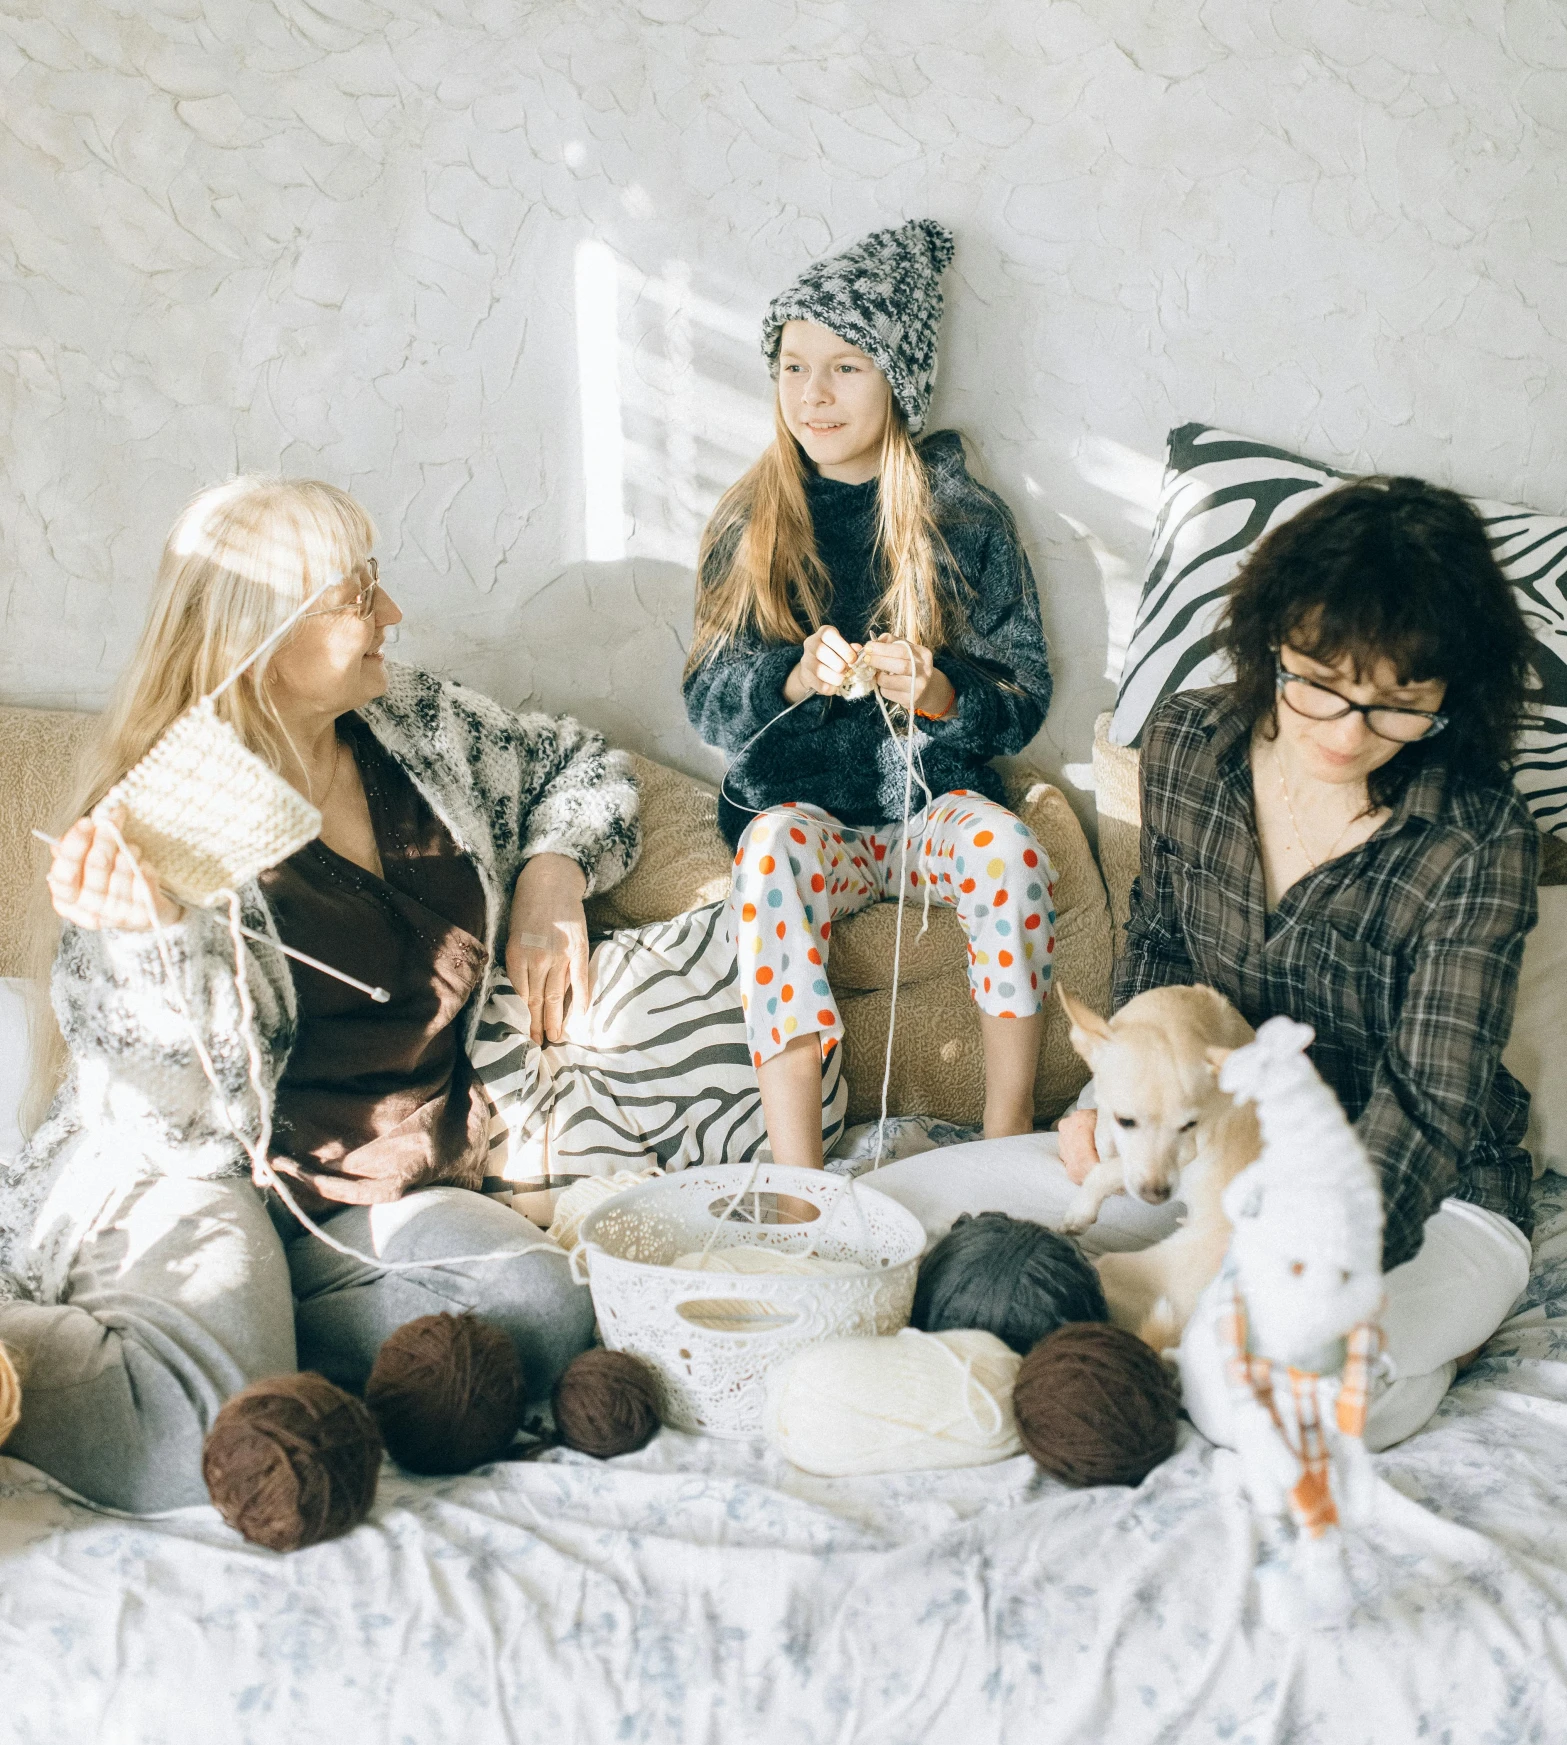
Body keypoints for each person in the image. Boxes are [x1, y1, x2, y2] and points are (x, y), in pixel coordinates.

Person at [0, 476, 641, 1512]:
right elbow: (161, 1113)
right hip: (210, 1179)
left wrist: (554, 867)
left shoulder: (418, 726)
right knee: (199, 1447)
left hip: (379, 1196)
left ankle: (259, 1340)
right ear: (260, 627)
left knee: (542, 1305)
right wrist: (149, 941)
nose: (392, 614)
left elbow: (577, 761)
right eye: (359, 595)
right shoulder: (154, 818)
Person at [1058, 476, 1540, 1448]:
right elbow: (1156, 947)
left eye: (1399, 703)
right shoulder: (1191, 744)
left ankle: (1388, 1355)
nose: (1346, 732)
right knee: (955, 1225)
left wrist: (1300, 1249)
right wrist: (1115, 1101)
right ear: (1270, 638)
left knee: (1239, 1384)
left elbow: (1430, 1102)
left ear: (1454, 692)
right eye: (1318, 681)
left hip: (1425, 1199)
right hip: (1213, 1150)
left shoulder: (1477, 842)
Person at [683, 219, 1057, 1171]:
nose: (814, 394)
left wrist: (940, 689)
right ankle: (798, 1166)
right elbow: (706, 695)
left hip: (930, 820)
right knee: (766, 856)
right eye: (794, 366)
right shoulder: (750, 521)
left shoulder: (961, 516)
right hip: (812, 821)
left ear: (900, 380)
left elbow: (1022, 692)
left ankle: (1008, 1133)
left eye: (846, 367)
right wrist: (793, 676)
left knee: (1007, 850)